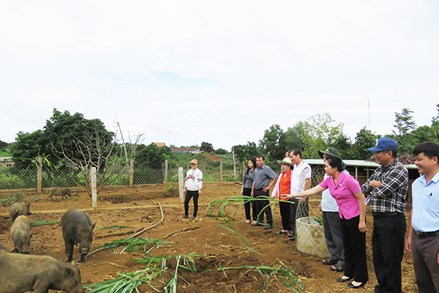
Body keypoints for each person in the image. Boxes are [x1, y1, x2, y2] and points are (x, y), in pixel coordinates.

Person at [285, 156, 368, 289]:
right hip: (343, 216)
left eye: (326, 166)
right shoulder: (330, 180)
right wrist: (293, 195)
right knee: (347, 246)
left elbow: (361, 199)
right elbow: (314, 190)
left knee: (357, 248)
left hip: (355, 217)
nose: (324, 168)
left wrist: (362, 221)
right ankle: (349, 273)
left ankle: (360, 278)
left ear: (335, 168)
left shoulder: (349, 180)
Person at [361, 137, 408, 293]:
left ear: (389, 153)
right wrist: (373, 184)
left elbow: (382, 192)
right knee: (379, 257)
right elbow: (364, 188)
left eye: (378, 153)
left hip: (392, 220)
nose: (376, 156)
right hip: (379, 219)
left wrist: (375, 186)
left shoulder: (400, 170)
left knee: (391, 260)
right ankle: (382, 288)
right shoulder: (379, 170)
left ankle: (392, 290)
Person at [405, 142, 439, 293]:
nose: (416, 162)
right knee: (423, 282)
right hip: (418, 240)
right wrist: (410, 236)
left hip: (435, 241)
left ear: (434, 159)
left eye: (419, 159)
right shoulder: (417, 184)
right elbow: (415, 210)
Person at [318, 147, 346, 273]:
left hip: (336, 209)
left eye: (326, 156)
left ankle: (343, 260)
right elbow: (325, 190)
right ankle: (334, 256)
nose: (324, 158)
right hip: (327, 207)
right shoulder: (327, 172)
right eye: (324, 156)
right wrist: (321, 202)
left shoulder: (344, 174)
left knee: (338, 235)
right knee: (329, 234)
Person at [288, 148, 312, 240]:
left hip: (301, 197)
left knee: (301, 217)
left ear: (298, 155)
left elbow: (308, 182)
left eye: (292, 156)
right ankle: (295, 235)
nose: (291, 159)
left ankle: (303, 236)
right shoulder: (295, 166)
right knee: (293, 216)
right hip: (293, 196)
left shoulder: (305, 166)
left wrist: (303, 195)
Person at [251, 155, 277, 229]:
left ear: (263, 161)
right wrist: (252, 190)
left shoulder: (266, 169)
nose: (258, 162)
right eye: (257, 161)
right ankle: (260, 221)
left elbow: (275, 177)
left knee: (266, 207)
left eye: (259, 160)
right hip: (256, 191)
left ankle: (270, 222)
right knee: (258, 207)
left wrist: (269, 186)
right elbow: (254, 180)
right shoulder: (256, 169)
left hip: (263, 191)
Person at [271, 157, 294, 235]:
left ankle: (290, 229)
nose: (283, 167)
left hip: (288, 198)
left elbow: (293, 186)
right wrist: (274, 193)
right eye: (282, 165)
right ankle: (284, 228)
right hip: (281, 198)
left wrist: (291, 195)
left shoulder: (292, 174)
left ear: (289, 166)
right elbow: (277, 184)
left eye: (285, 165)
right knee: (283, 213)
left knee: (288, 214)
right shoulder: (281, 175)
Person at [241, 158, 257, 224]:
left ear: (253, 163)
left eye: (250, 163)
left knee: (253, 204)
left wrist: (252, 191)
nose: (249, 164)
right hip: (246, 188)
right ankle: (248, 218)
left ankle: (255, 219)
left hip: (251, 189)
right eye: (248, 163)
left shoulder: (255, 171)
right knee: (246, 204)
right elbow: (243, 181)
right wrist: (242, 189)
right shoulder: (246, 170)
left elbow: (254, 181)